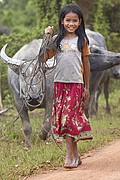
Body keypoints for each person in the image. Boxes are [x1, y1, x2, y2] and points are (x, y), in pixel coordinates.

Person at [44, 3, 93, 168]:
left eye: (75, 20)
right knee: (64, 121)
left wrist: (87, 87)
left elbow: (86, 66)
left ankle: (69, 156)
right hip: (59, 85)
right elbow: (43, 58)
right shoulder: (56, 40)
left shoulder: (82, 40)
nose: (71, 24)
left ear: (80, 22)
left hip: (76, 85)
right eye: (68, 20)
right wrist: (46, 38)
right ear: (62, 21)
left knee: (69, 120)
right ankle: (76, 156)